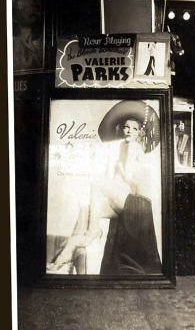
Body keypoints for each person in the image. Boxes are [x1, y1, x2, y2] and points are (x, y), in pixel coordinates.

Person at [48, 100, 162, 275]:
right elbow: (118, 184)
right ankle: (67, 252)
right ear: (121, 129)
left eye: (134, 128)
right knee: (85, 210)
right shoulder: (122, 147)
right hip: (128, 203)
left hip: (138, 204)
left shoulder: (134, 147)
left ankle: (93, 232)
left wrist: (117, 174)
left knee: (95, 182)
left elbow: (128, 179)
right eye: (126, 127)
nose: (129, 131)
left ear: (140, 132)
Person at [13, 0, 43, 71]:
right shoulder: (11, 44)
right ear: (15, 18)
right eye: (25, 8)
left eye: (33, 6)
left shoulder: (48, 40)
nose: (31, 10)